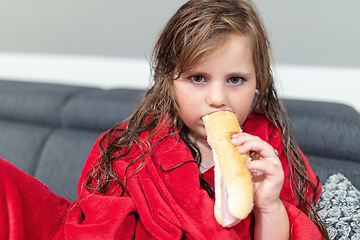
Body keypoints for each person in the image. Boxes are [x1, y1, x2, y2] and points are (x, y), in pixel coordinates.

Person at [0, 0, 328, 239]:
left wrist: (270, 206)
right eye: (197, 78)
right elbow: (91, 222)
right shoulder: (123, 145)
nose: (217, 98)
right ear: (168, 82)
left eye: (235, 80)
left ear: (259, 83)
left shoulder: (269, 149)